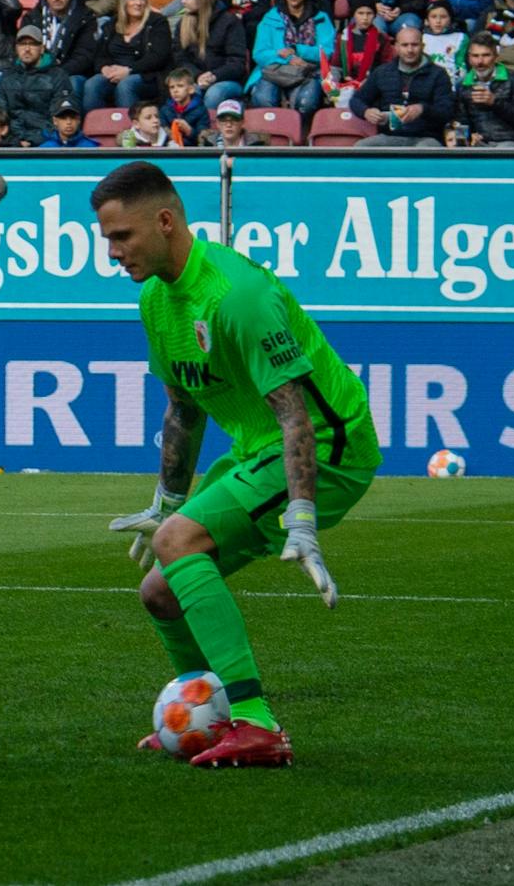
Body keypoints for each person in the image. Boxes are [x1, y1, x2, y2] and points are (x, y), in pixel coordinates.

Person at [96, 159, 379, 767]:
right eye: (107, 240)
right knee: (160, 592)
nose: (113, 252)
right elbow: (183, 411)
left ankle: (257, 724)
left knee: (180, 544)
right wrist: (166, 503)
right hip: (257, 450)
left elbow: (294, 412)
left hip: (330, 447)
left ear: (165, 221)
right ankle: (203, 714)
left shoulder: (237, 295)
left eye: (122, 237)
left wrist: (302, 515)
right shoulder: (156, 300)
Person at [354, 24, 453, 147]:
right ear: (396, 47)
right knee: (361, 147)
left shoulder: (438, 74)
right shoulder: (382, 72)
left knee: (424, 150)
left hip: (426, 137)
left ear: (423, 46)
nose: (410, 50)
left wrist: (423, 109)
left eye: (414, 45)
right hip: (390, 136)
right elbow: (357, 99)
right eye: (405, 45)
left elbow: (447, 110)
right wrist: (366, 111)